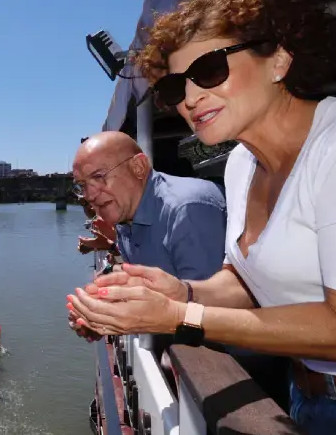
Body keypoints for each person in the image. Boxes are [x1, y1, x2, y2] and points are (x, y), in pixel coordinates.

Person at [70, 0, 336, 435]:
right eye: (175, 89)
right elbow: (244, 278)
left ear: (279, 59)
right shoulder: (242, 163)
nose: (191, 98)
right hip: (306, 395)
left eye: (210, 70)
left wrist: (180, 318)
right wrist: (180, 291)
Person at [68, 131, 227, 345]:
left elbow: (212, 312)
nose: (89, 195)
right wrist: (103, 316)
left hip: (242, 363)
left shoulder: (187, 209)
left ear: (138, 167)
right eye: (82, 185)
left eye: (98, 176)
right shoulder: (126, 214)